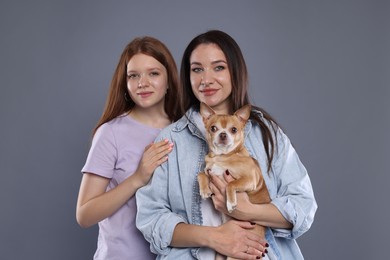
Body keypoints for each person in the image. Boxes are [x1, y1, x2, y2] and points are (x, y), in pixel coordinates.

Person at [136, 30, 317, 260]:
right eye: (197, 69)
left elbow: (303, 207)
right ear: (187, 76)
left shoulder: (267, 133)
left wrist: (248, 210)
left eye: (218, 67)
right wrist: (214, 237)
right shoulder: (171, 140)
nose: (206, 79)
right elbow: (151, 218)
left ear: (235, 71)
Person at [76, 36, 183, 259]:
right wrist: (137, 178)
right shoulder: (111, 133)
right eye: (133, 75)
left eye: (153, 73)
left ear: (169, 80)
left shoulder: (185, 130)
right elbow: (84, 215)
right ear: (125, 83)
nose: (142, 83)